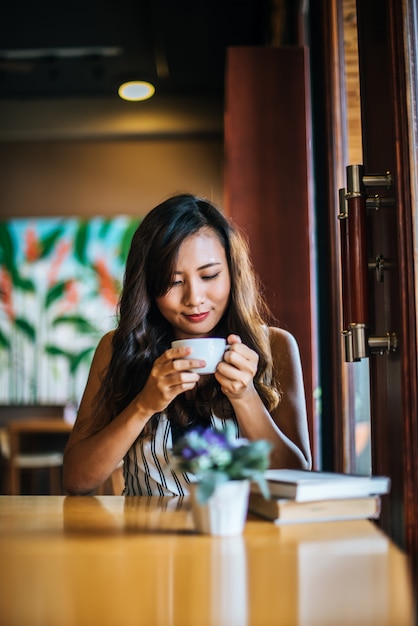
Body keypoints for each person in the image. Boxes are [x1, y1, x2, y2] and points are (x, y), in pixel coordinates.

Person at [63, 193, 312, 495]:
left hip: (244, 536)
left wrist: (245, 396)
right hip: (147, 538)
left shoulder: (275, 346)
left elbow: (298, 478)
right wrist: (144, 405)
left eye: (209, 275)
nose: (194, 298)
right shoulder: (118, 348)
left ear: (232, 274)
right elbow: (77, 480)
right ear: (149, 286)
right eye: (175, 281)